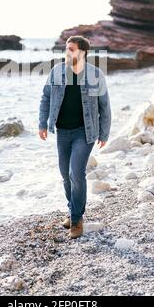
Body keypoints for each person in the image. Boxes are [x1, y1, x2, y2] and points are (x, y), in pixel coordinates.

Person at [38, 35, 111, 239]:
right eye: (66, 49)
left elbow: (105, 106)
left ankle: (77, 220)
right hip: (62, 131)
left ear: (82, 52)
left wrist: (104, 132)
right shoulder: (57, 71)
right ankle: (72, 210)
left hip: (84, 131)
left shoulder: (95, 75)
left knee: (76, 173)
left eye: (71, 49)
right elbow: (45, 97)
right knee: (65, 174)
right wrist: (42, 123)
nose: (67, 52)